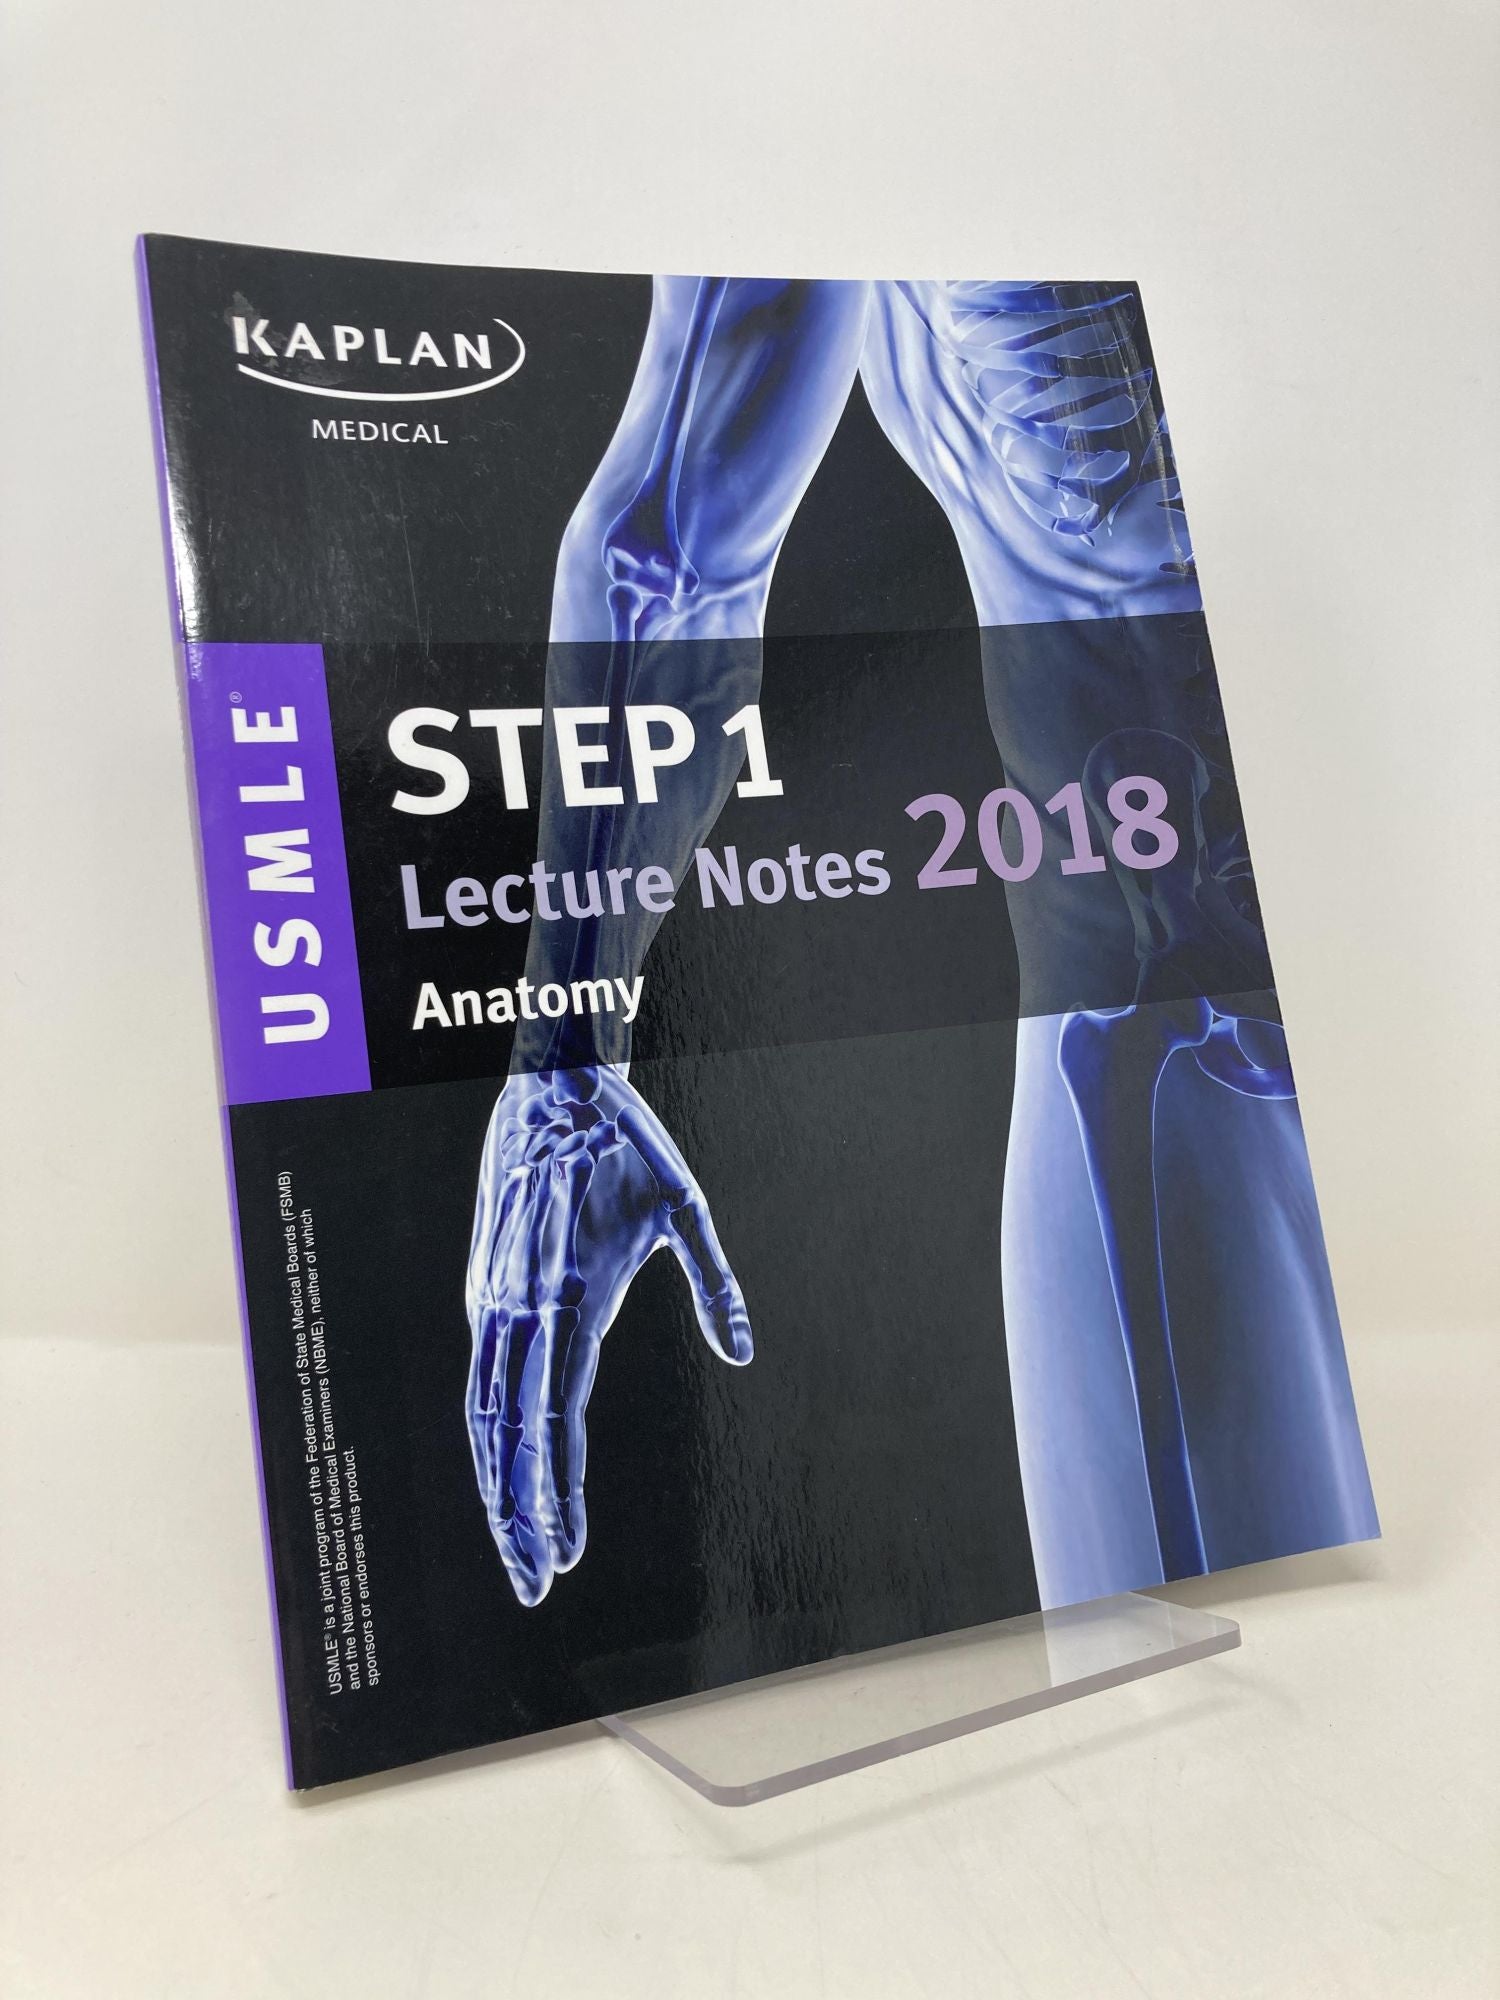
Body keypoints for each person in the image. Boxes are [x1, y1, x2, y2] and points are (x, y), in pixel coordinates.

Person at [466, 277, 1377, 1610]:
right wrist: (562, 1061)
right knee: (1229, 1676)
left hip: (1271, 1015)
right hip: (1165, 1047)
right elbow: (671, 552)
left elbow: (669, 557)